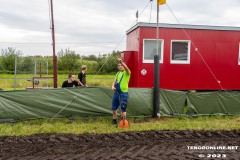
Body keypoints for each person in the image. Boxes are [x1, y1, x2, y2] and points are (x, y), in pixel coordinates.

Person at [111, 58, 131, 124]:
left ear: (124, 65)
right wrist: (112, 86)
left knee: (123, 108)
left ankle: (124, 122)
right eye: (119, 65)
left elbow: (127, 69)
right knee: (113, 108)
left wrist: (121, 62)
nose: (120, 66)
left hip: (124, 93)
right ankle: (114, 120)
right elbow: (114, 81)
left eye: (121, 65)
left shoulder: (127, 73)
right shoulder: (118, 73)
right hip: (117, 92)